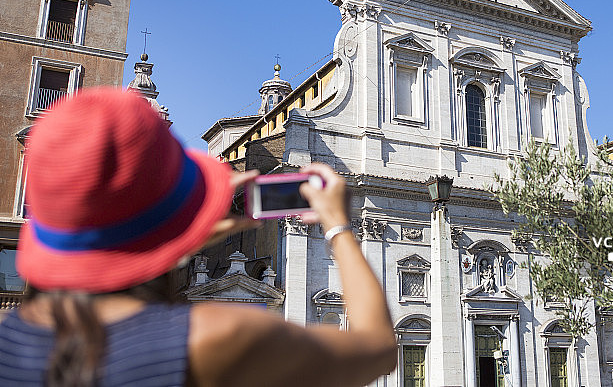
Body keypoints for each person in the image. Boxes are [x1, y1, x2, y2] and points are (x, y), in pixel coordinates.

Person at [0, 88, 397, 386]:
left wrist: (179, 234)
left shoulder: (9, 343)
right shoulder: (214, 338)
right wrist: (337, 226)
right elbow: (377, 349)